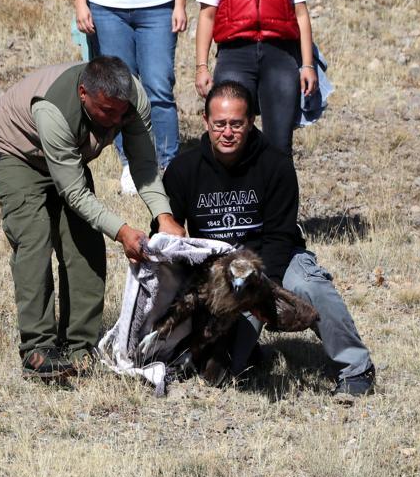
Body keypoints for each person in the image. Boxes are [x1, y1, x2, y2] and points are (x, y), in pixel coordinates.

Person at [159, 81, 375, 396]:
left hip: (276, 260)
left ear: (250, 122)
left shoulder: (275, 165)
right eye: (219, 124)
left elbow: (279, 236)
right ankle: (247, 354)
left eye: (236, 124)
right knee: (219, 375)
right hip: (218, 274)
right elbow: (170, 236)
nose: (227, 132)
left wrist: (263, 290)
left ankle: (356, 368)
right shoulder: (183, 169)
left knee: (311, 286)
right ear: (206, 122)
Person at [0, 57, 186, 379]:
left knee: (86, 245)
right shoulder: (53, 110)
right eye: (107, 112)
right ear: (82, 94)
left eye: (122, 112)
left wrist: (164, 216)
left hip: (65, 161)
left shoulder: (131, 99)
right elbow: (73, 193)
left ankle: (80, 348)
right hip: (14, 153)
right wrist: (121, 232)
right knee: (34, 237)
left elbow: (144, 166)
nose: (116, 121)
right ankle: (38, 349)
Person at [74, 0, 187, 194]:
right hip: (107, 5)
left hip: (159, 3)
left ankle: (168, 164)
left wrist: (180, 3)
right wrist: (80, 2)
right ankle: (131, 164)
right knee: (119, 91)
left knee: (159, 87)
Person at [194, 0, 318, 154]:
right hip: (234, 55)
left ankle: (277, 179)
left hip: (280, 55)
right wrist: (201, 67)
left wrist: (308, 64)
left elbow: (301, 13)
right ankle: (232, 181)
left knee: (280, 145)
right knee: (231, 141)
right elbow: (207, 14)